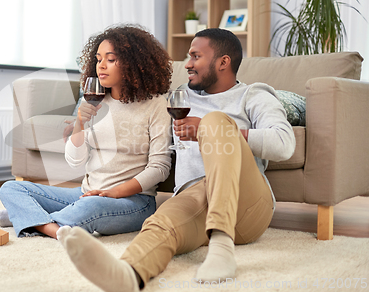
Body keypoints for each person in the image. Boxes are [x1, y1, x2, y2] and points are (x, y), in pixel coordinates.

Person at [57, 28, 296, 291]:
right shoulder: (179, 96)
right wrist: (81, 124)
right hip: (194, 198)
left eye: (195, 57)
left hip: (248, 204)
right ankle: (128, 274)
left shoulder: (253, 95)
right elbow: (136, 105)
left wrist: (207, 129)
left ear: (223, 62)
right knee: (160, 222)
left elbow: (284, 144)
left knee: (215, 122)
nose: (188, 64)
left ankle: (222, 244)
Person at [0, 24, 173, 239]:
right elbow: (75, 161)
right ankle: (53, 226)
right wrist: (80, 122)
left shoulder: (156, 105)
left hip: (132, 201)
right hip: (85, 193)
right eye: (98, 59)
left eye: (111, 59)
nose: (101, 66)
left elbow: (159, 167)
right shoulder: (94, 101)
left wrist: (115, 192)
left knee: (90, 208)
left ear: (134, 63)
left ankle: (29, 218)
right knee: (11, 189)